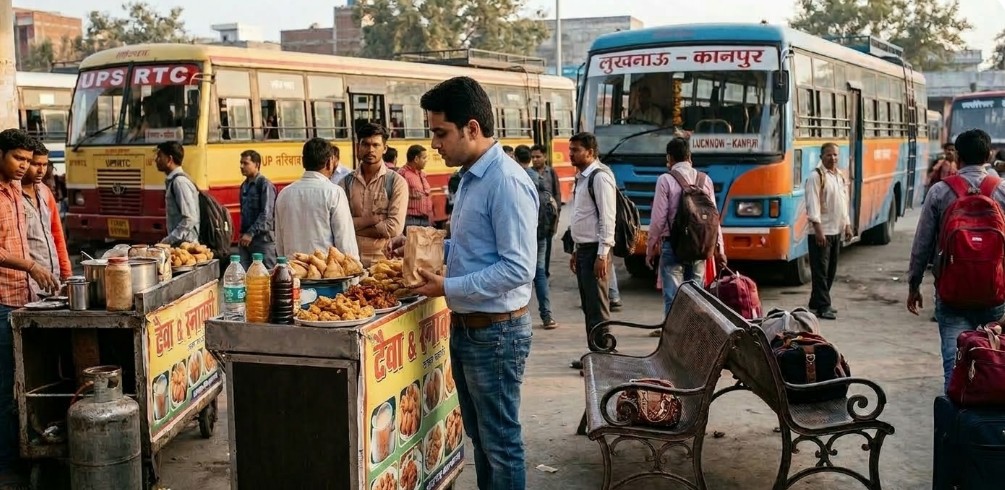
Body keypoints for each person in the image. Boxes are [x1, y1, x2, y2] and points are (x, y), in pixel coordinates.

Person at [398, 76, 537, 490]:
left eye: (441, 133)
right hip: (471, 329)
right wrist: (414, 248)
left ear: (471, 129)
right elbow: (472, 248)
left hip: (497, 333)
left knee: (501, 443)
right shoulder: (472, 178)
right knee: (481, 438)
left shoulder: (506, 182)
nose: (435, 144)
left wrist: (448, 288)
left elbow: (517, 269)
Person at [908, 129, 1005, 392]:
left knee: (954, 366)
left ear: (958, 157)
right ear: (988, 156)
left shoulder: (940, 191)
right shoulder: (1002, 191)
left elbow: (923, 243)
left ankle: (955, 427)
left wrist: (914, 284)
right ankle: (988, 429)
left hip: (952, 294)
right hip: (994, 294)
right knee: (995, 364)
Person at [0, 129, 58, 488]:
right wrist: (31, 266)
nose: (24, 166)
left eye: (28, 160)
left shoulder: (16, 193)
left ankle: (24, 449)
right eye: (17, 159)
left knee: (27, 380)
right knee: (6, 383)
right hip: (2, 299)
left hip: (27, 298)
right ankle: (8, 464)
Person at [646, 136, 726, 316]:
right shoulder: (705, 180)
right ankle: (694, 338)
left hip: (673, 246)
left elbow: (658, 219)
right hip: (700, 246)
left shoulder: (665, 180)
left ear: (669, 159)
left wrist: (650, 248)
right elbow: (713, 220)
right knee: (697, 298)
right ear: (690, 157)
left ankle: (674, 340)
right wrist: (720, 249)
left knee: (673, 298)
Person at [567, 132, 616, 371]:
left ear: (591, 152)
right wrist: (577, 249)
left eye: (576, 150)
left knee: (598, 305)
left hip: (596, 251)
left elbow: (608, 218)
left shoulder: (600, 177)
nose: (571, 154)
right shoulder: (582, 178)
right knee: (589, 305)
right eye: (571, 149)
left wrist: (602, 254)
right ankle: (595, 353)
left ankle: (604, 355)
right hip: (585, 250)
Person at [275, 138, 359, 259]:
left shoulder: (284, 194)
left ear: (303, 162)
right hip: (325, 274)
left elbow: (279, 243)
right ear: (330, 162)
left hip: (293, 272)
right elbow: (345, 243)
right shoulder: (334, 192)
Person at [342, 123, 408, 266]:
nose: (370, 150)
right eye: (365, 144)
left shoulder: (396, 182)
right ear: (357, 147)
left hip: (384, 263)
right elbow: (339, 224)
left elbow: (393, 228)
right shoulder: (346, 183)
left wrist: (355, 228)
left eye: (376, 145)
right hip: (351, 261)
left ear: (384, 148)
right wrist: (373, 220)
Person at [805, 142, 852, 320]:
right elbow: (812, 205)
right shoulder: (815, 177)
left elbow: (843, 203)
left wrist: (847, 224)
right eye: (829, 155)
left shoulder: (839, 176)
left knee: (830, 270)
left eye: (835, 155)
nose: (833, 158)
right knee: (820, 272)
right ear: (821, 157)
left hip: (836, 230)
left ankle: (816, 303)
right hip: (821, 232)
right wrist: (818, 230)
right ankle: (824, 306)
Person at [516, 145, 558, 329]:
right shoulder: (537, 178)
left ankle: (516, 316)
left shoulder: (516, 178)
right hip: (540, 234)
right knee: (540, 273)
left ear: (516, 158)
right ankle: (547, 315)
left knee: (516, 273)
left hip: (522, 236)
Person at [22, 142, 71, 294]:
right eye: (36, 164)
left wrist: (66, 273)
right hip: (27, 281)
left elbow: (57, 235)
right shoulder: (12, 195)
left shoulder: (45, 192)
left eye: (44, 164)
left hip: (52, 279)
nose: (41, 170)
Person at [238, 150, 277, 270]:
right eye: (241, 163)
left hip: (263, 241)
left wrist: (251, 233)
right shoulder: (244, 186)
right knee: (246, 278)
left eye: (246, 163)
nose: (242, 166)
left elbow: (266, 214)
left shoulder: (264, 185)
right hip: (246, 241)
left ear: (257, 165)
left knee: (267, 276)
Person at [156, 141, 200, 246]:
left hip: (186, 246)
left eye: (159, 156)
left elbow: (190, 218)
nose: (156, 160)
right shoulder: (174, 181)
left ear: (169, 159)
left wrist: (169, 240)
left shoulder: (180, 182)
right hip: (179, 244)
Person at [399, 144, 433, 229]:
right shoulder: (403, 174)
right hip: (411, 220)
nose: (426, 160)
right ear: (416, 159)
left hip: (425, 219)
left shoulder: (422, 175)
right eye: (424, 158)